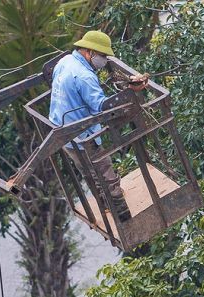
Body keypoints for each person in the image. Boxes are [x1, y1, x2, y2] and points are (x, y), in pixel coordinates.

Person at [49, 30, 148, 222]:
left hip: (63, 133)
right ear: (89, 52)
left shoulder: (65, 61)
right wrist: (130, 91)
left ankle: (104, 205)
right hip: (83, 135)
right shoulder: (85, 76)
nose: (104, 60)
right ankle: (124, 218)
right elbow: (102, 107)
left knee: (89, 173)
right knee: (106, 174)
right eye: (102, 56)